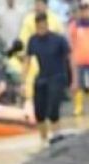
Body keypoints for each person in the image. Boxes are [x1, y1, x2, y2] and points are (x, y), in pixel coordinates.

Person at [26, 12, 72, 141]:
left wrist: (74, 80)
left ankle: (57, 137)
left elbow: (70, 58)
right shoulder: (33, 40)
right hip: (41, 78)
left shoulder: (58, 39)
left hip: (58, 77)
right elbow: (27, 60)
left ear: (47, 24)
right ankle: (43, 140)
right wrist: (23, 81)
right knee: (39, 113)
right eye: (39, 27)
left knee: (53, 111)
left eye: (43, 26)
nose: (41, 29)